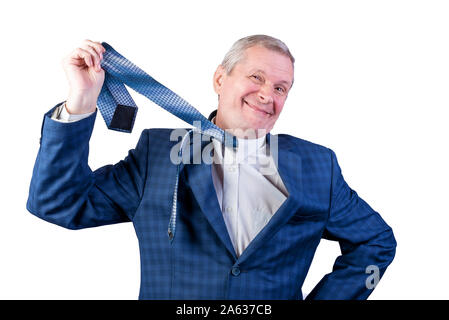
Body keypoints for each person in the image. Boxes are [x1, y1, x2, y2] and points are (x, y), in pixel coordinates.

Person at [27, 35, 396, 300]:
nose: (269, 94)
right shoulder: (158, 153)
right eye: (257, 77)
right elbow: (58, 203)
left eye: (282, 88)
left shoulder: (317, 166)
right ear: (220, 79)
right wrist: (81, 100)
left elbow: (377, 242)